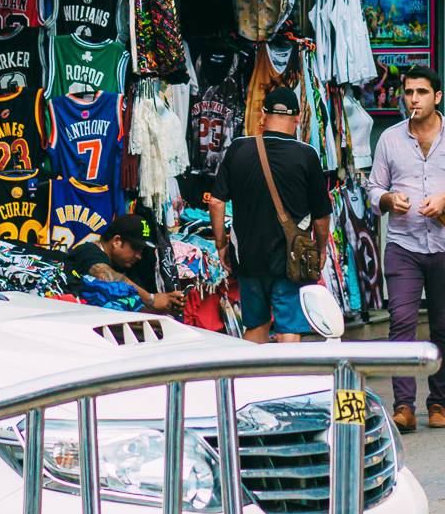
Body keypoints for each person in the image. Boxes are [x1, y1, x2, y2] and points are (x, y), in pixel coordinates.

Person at [367, 65, 445, 432]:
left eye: (421, 92)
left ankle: (439, 403)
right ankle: (403, 406)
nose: (413, 100)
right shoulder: (389, 138)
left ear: (437, 97)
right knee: (401, 322)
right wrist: (388, 199)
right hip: (402, 244)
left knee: (443, 326)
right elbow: (373, 189)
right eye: (408, 93)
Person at [208, 86, 330, 344]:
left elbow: (217, 202)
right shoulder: (306, 155)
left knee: (255, 325)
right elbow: (321, 216)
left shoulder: (239, 148)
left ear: (264, 115)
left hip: (249, 257)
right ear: (297, 118)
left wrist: (221, 245)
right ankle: (288, 384)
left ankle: (253, 383)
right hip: (292, 258)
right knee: (289, 328)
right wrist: (320, 250)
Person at [66, 215, 184, 315]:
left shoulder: (122, 266)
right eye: (136, 248)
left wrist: (166, 306)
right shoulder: (88, 252)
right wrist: (151, 299)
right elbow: (105, 276)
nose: (139, 256)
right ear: (117, 241)